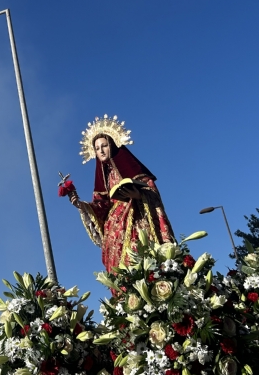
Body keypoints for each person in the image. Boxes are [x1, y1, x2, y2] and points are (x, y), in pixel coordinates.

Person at [60, 115, 174, 271]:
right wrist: (81, 204)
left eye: (104, 145)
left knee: (143, 257)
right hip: (114, 227)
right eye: (97, 148)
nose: (101, 150)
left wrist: (138, 195)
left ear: (112, 144)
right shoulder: (103, 176)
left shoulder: (133, 169)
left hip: (137, 217)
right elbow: (101, 205)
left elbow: (151, 191)